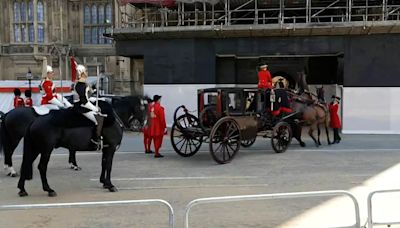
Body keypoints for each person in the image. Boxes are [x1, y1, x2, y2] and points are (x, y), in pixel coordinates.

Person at [72, 64, 103, 146]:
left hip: (82, 105)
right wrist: (95, 108)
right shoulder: (80, 85)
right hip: (80, 107)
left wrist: (96, 98)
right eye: (85, 71)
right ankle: (95, 139)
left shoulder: (83, 84)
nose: (86, 72)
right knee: (98, 120)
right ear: (81, 73)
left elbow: (87, 97)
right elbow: (84, 101)